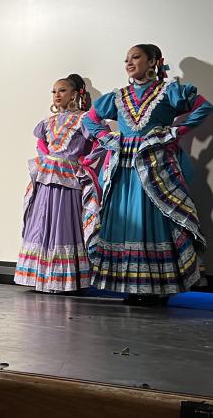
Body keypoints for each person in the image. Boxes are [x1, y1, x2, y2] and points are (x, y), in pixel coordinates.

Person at [83, 44, 213, 305]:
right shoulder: (119, 96)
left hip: (157, 166)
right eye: (127, 59)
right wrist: (106, 137)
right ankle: (131, 286)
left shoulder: (169, 91)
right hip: (125, 167)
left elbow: (204, 107)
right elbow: (90, 118)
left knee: (155, 220)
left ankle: (158, 287)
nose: (129, 63)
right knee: (126, 221)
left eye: (136, 57)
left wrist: (173, 132)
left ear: (153, 61)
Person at [14, 74, 103, 293]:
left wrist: (84, 162)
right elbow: (42, 144)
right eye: (54, 91)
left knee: (62, 222)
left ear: (74, 94)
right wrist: (45, 158)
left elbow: (103, 140)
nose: (57, 95)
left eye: (62, 91)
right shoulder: (48, 122)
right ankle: (39, 276)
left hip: (67, 176)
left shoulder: (84, 119)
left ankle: (62, 279)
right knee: (41, 220)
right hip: (46, 174)